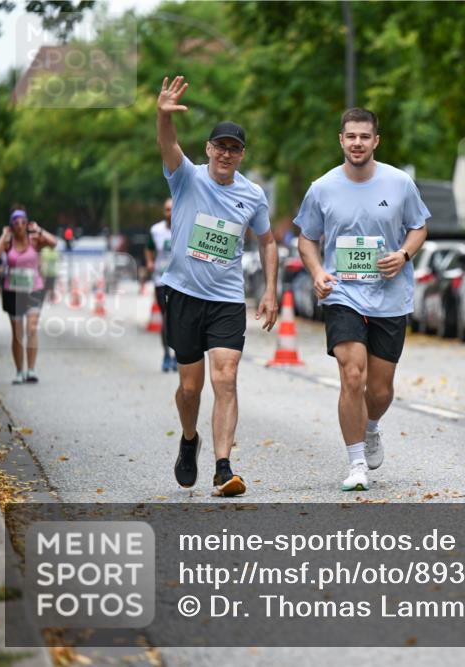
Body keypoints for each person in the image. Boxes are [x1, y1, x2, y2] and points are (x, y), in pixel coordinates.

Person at [295, 108, 430, 492]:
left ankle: (370, 426)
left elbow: (418, 227)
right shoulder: (322, 188)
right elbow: (307, 238)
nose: (357, 143)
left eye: (364, 137)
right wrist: (317, 272)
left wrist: (403, 254)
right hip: (343, 294)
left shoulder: (400, 183)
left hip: (390, 296)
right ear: (341, 140)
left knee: (381, 390)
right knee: (352, 373)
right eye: (351, 136)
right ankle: (356, 464)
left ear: (376, 141)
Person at [156, 75, 279, 497]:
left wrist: (270, 290)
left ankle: (223, 468)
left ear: (242, 155)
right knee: (190, 388)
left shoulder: (253, 195)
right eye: (220, 146)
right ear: (208, 149)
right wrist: (163, 115)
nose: (226, 153)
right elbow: (168, 144)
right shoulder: (186, 178)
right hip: (184, 295)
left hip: (226, 299)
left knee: (225, 378)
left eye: (234, 148)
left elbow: (267, 241)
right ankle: (190, 439)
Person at [0, 210, 58, 383]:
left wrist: (39, 230)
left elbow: (54, 243)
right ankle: (19, 372)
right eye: (16, 223)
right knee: (17, 334)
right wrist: (4, 235)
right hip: (13, 291)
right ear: (11, 226)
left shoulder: (34, 240)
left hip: (34, 289)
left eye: (23, 222)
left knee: (31, 329)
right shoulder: (8, 242)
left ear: (27, 224)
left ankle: (31, 370)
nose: (20, 226)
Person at [146, 197, 177, 371]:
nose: (170, 213)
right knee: (166, 318)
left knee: (180, 319)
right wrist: (150, 262)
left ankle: (179, 356)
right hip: (161, 281)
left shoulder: (185, 227)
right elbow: (149, 248)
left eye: (172, 209)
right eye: (167, 209)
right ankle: (166, 354)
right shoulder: (156, 230)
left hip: (181, 282)